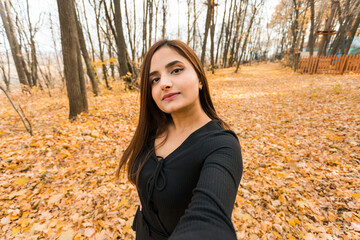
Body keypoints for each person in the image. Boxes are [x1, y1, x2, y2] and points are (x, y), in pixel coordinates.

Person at [116, 39, 243, 240]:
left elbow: (209, 221)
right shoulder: (154, 129)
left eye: (175, 70)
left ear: (200, 79)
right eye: (154, 80)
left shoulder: (222, 147)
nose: (164, 84)